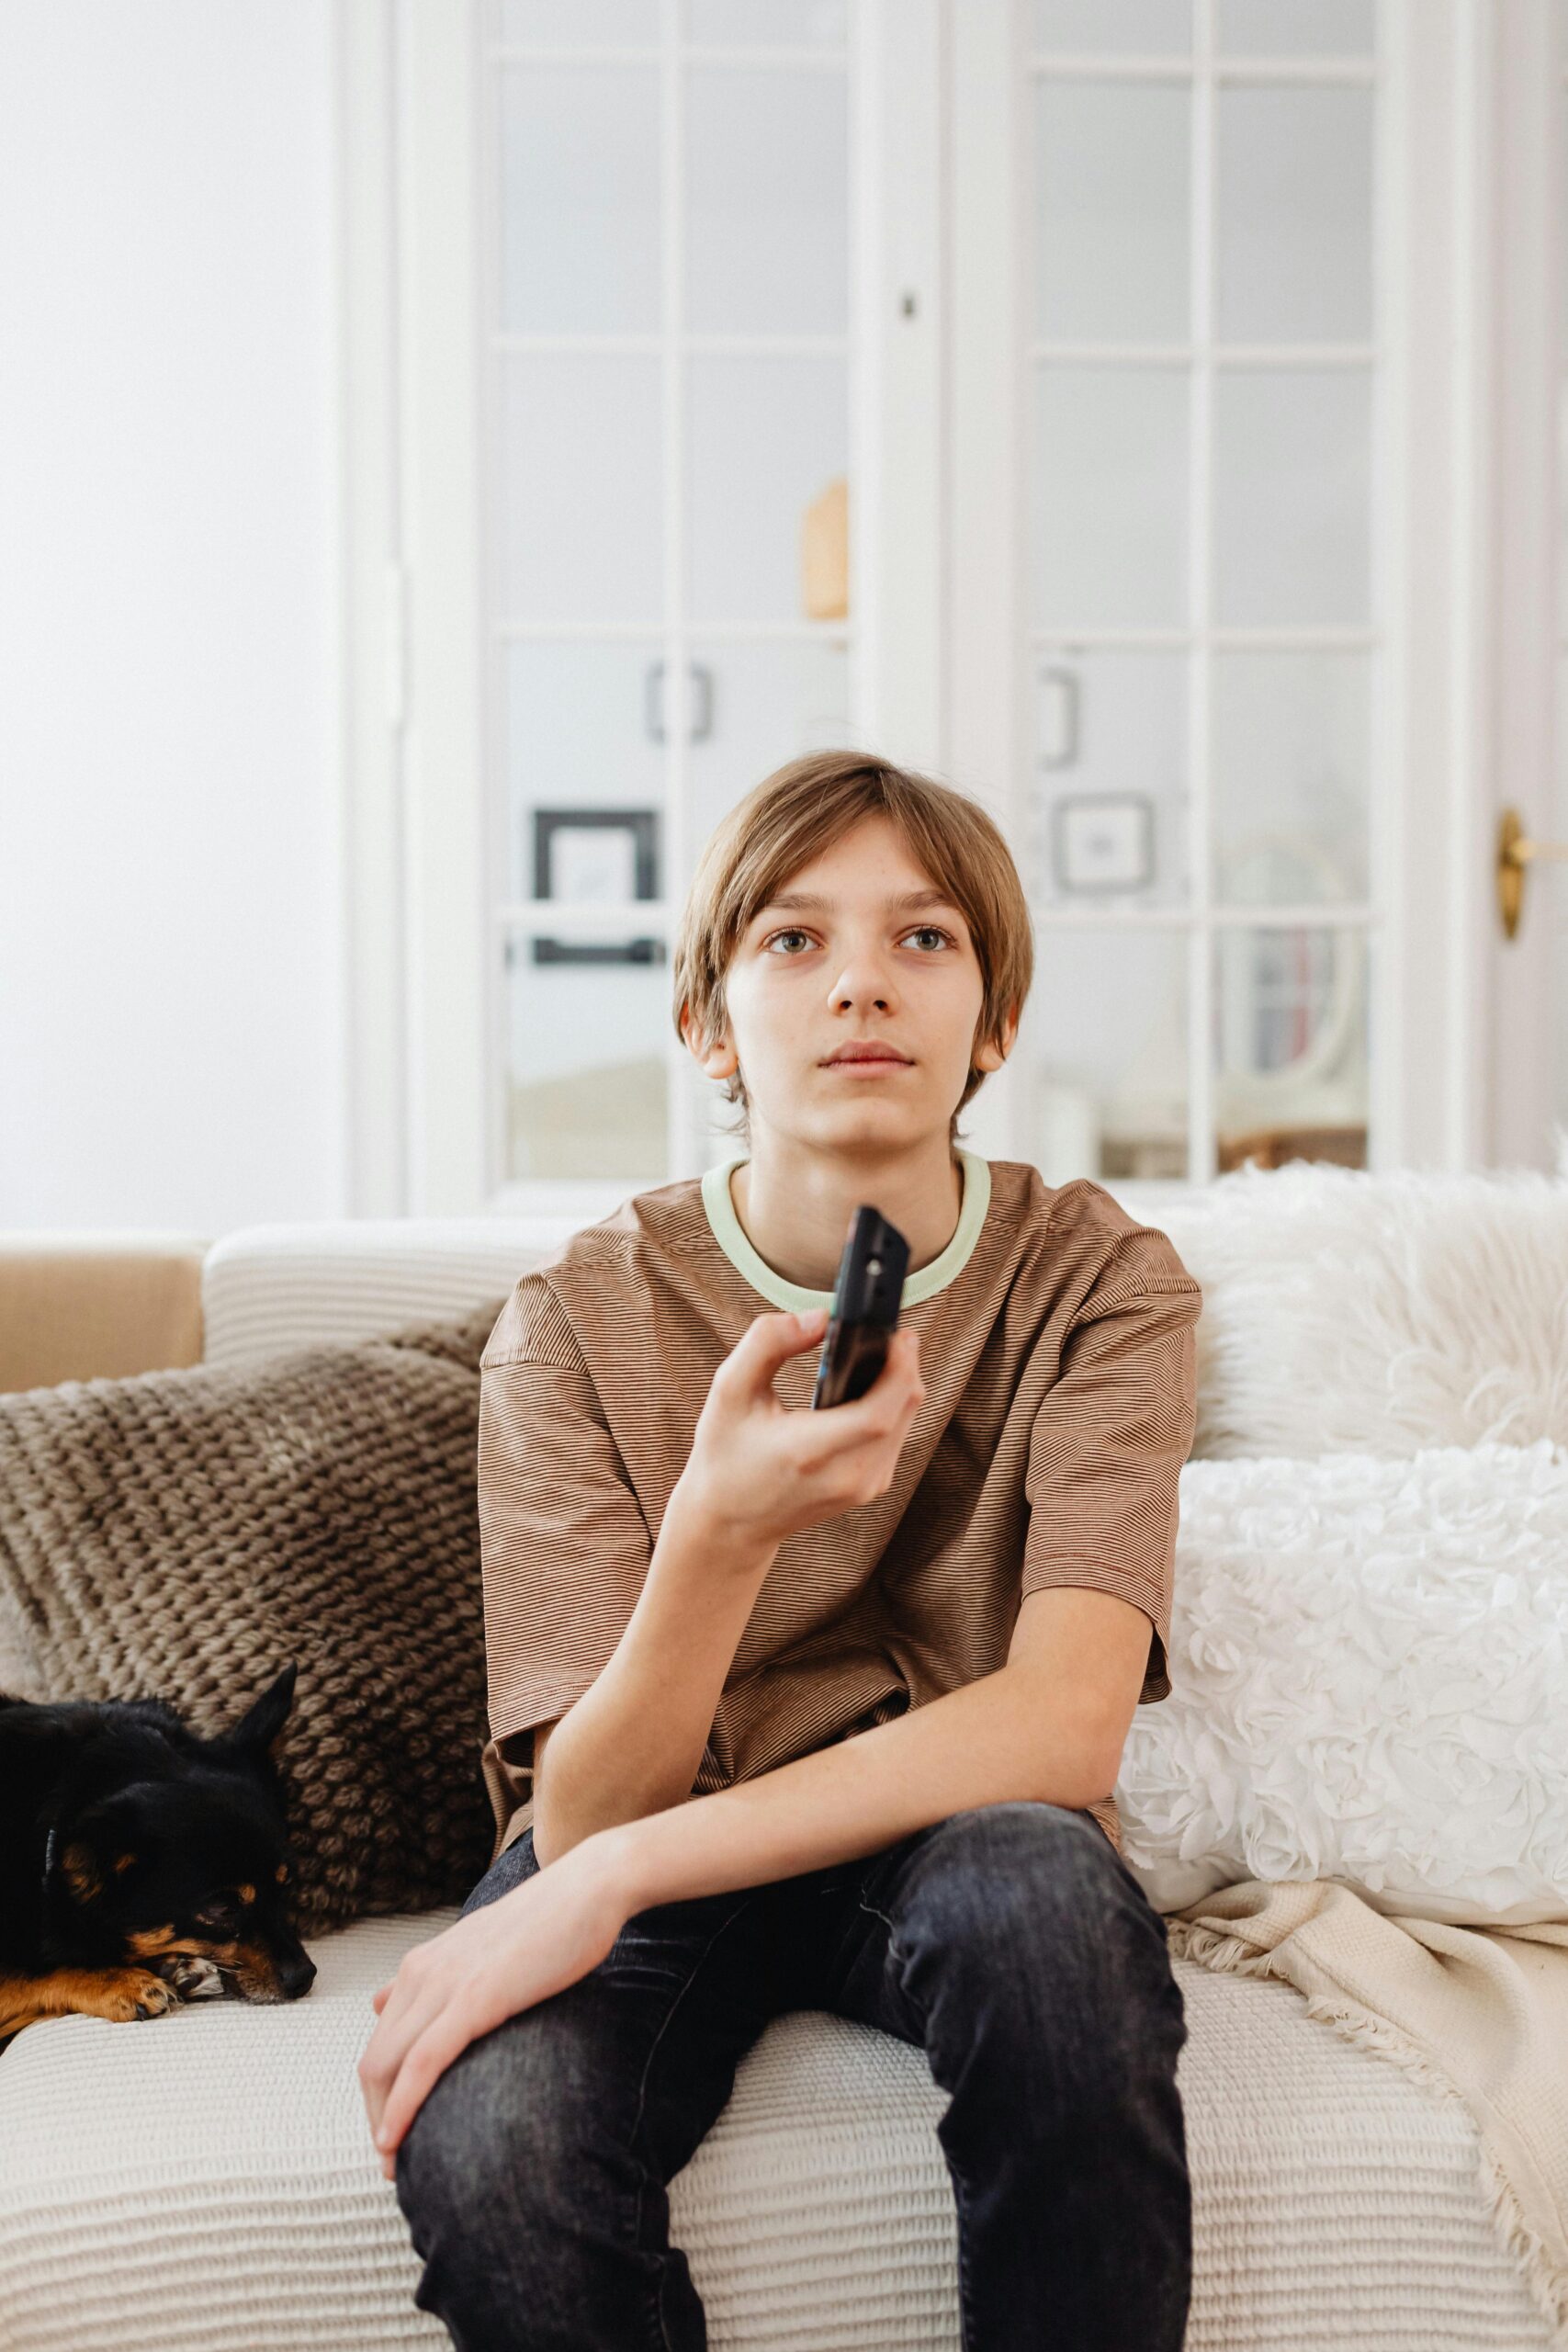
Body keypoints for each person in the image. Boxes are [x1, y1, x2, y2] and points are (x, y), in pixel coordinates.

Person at [362, 751, 1202, 2350]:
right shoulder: (572, 1325)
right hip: (662, 1808)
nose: (863, 985)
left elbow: (1064, 1726)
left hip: (954, 1822)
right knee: (499, 2138)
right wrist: (716, 1536)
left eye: (926, 940)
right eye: (795, 941)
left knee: (1046, 1914)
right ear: (708, 1022)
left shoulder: (1105, 1285)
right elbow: (590, 1803)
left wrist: (603, 1876)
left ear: (996, 1022)